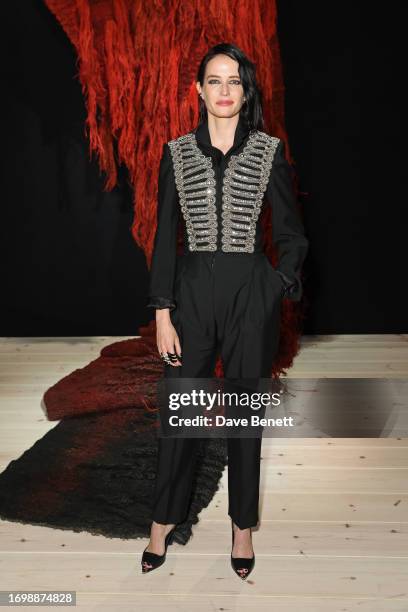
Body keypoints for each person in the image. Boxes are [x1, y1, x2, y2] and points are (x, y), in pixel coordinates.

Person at [141, 42, 309, 579]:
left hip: (248, 294)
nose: (224, 91)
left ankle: (242, 528)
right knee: (181, 414)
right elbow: (165, 236)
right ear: (198, 89)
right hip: (189, 295)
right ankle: (161, 524)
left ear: (246, 90)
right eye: (214, 80)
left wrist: (276, 285)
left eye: (234, 81)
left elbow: (290, 231)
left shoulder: (267, 150)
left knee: (243, 417)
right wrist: (163, 310)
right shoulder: (176, 153)